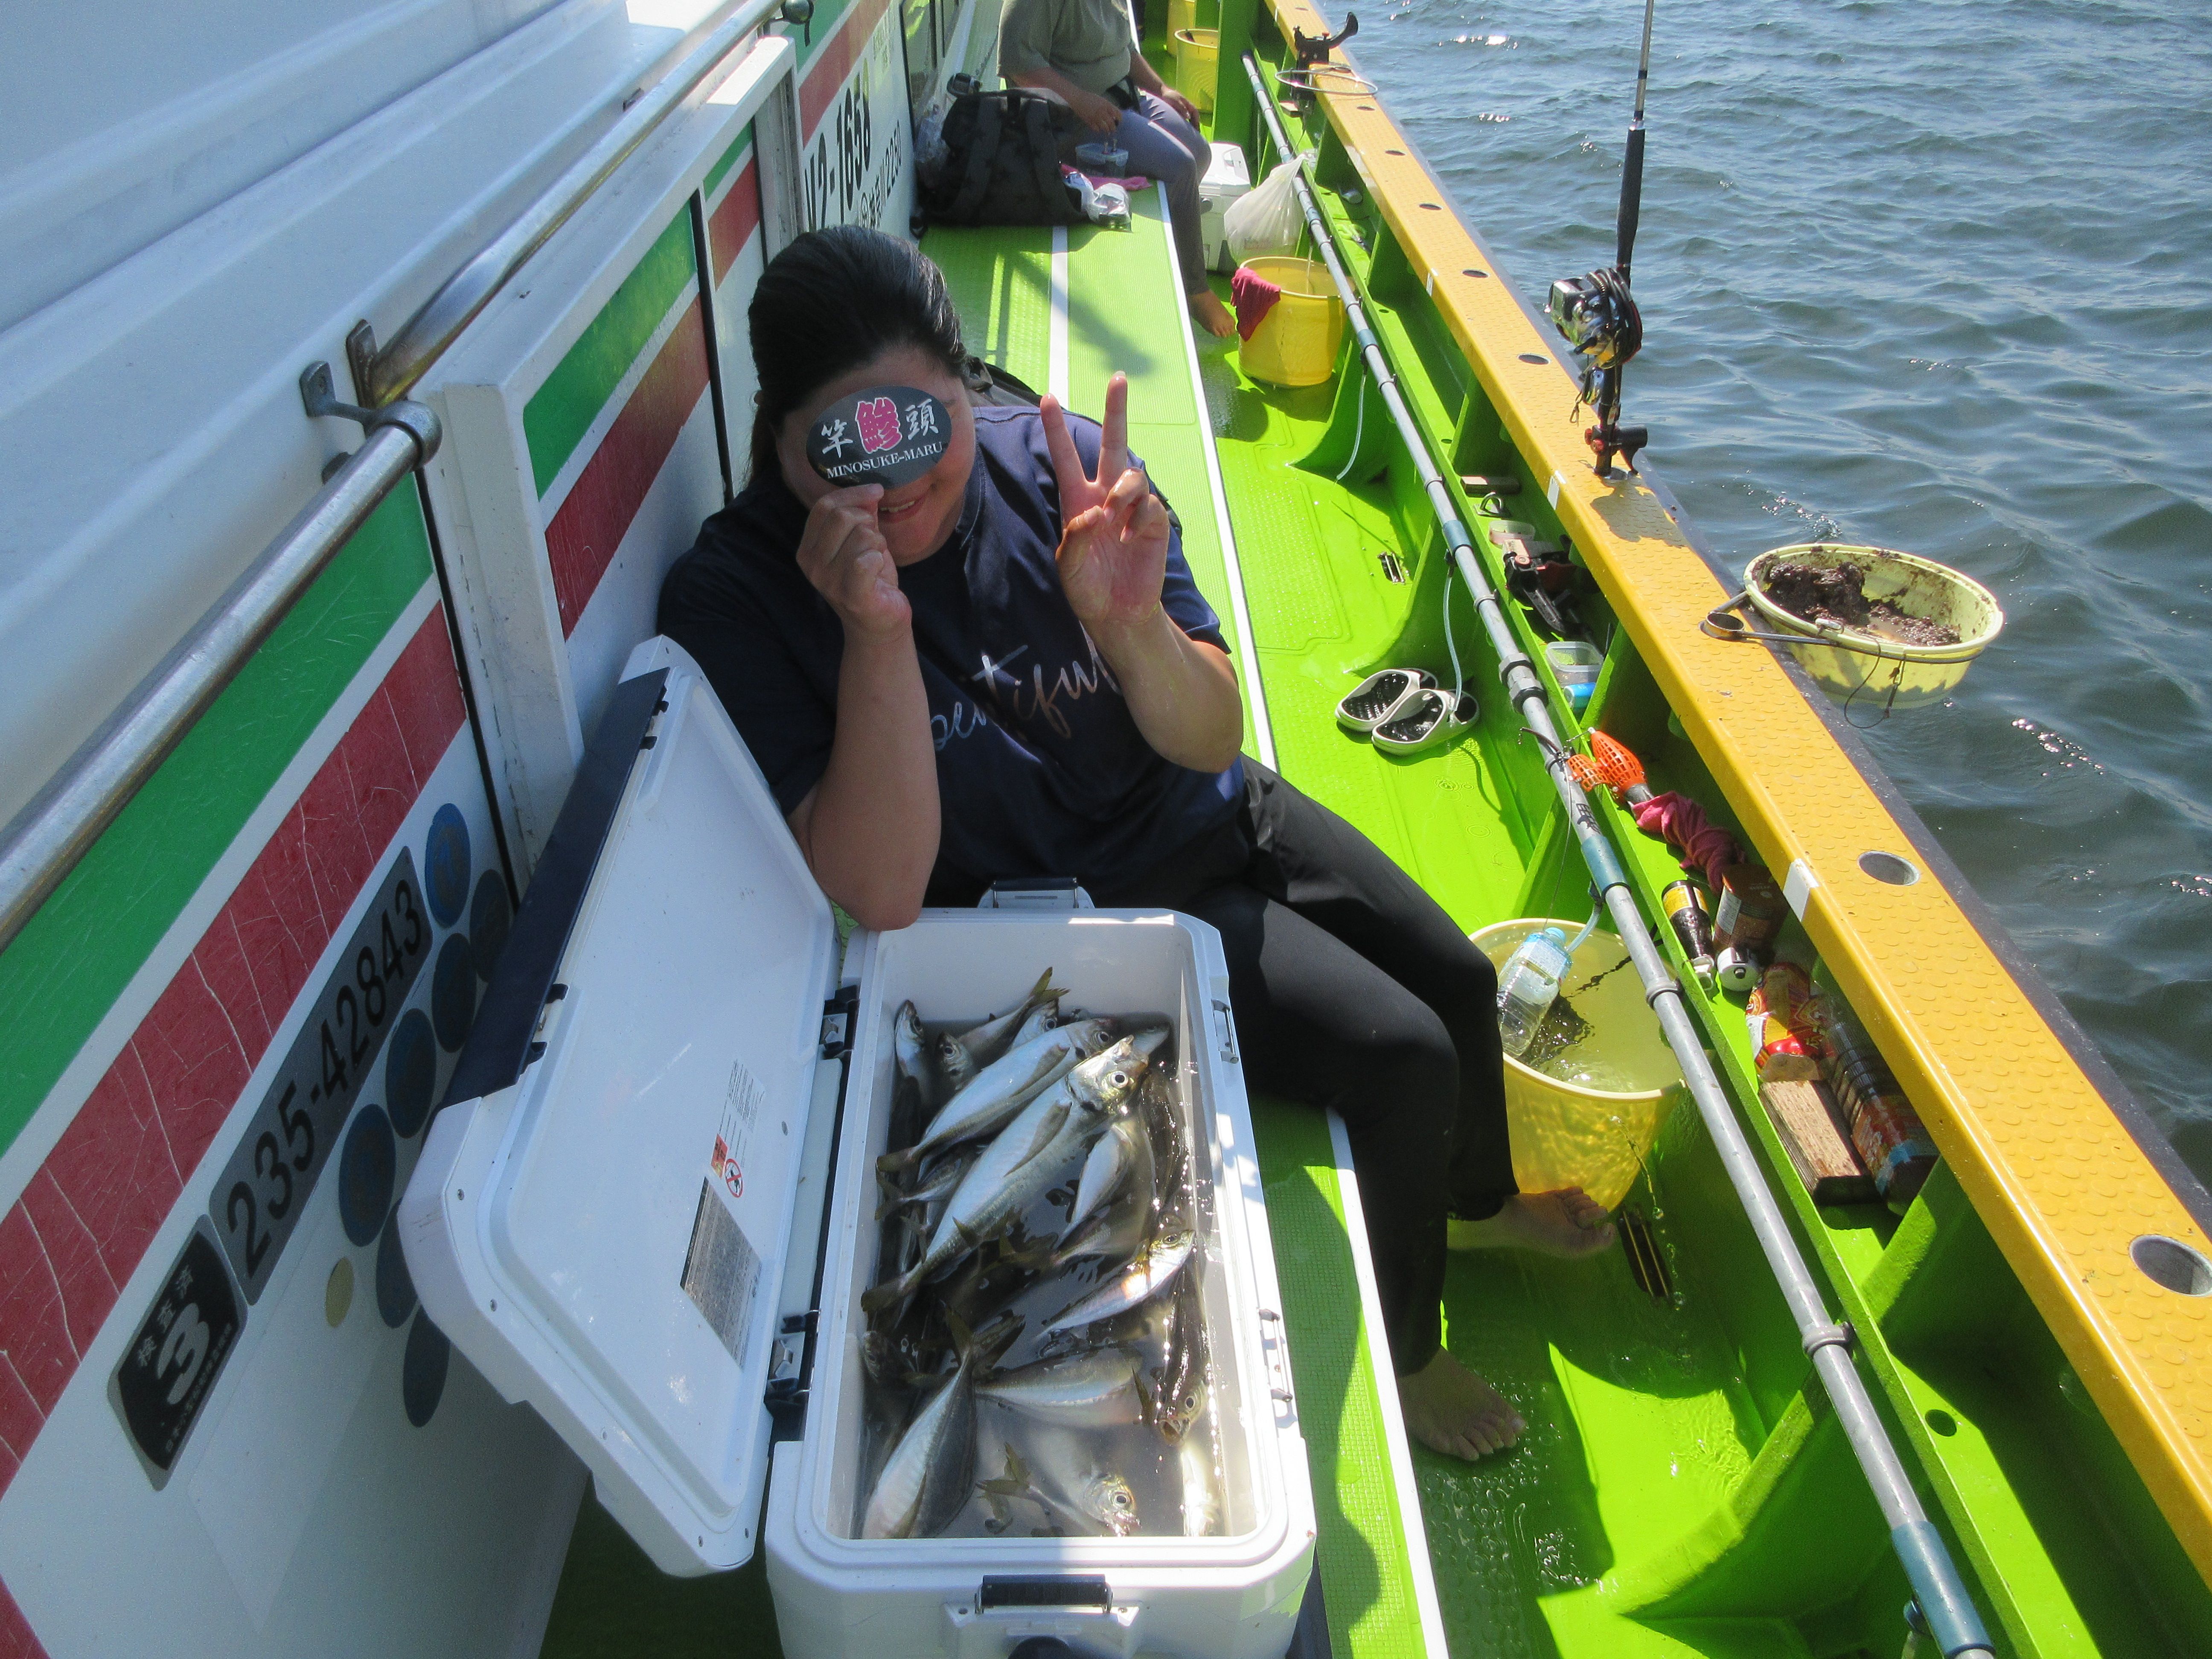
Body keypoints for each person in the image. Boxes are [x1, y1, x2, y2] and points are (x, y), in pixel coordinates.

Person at [658, 227, 1613, 1461]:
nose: (893, 488)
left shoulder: (1064, 475)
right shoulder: (739, 592)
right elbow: (881, 890)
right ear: (780, 436)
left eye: (925, 431)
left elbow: (1211, 737)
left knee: (1461, 981)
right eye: (846, 452)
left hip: (1210, 803)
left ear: (965, 390)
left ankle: (1472, 1206)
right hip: (1098, 909)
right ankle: (1415, 1352)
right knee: (1404, 1057)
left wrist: (1127, 630)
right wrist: (875, 628)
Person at [996, 0, 1235, 338]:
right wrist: (1081, 101)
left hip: (1120, 97)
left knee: (1199, 153)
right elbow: (1018, 64)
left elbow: (1124, 47)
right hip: (1069, 118)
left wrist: (1160, 89)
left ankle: (1173, 242)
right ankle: (1195, 290)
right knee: (1180, 167)